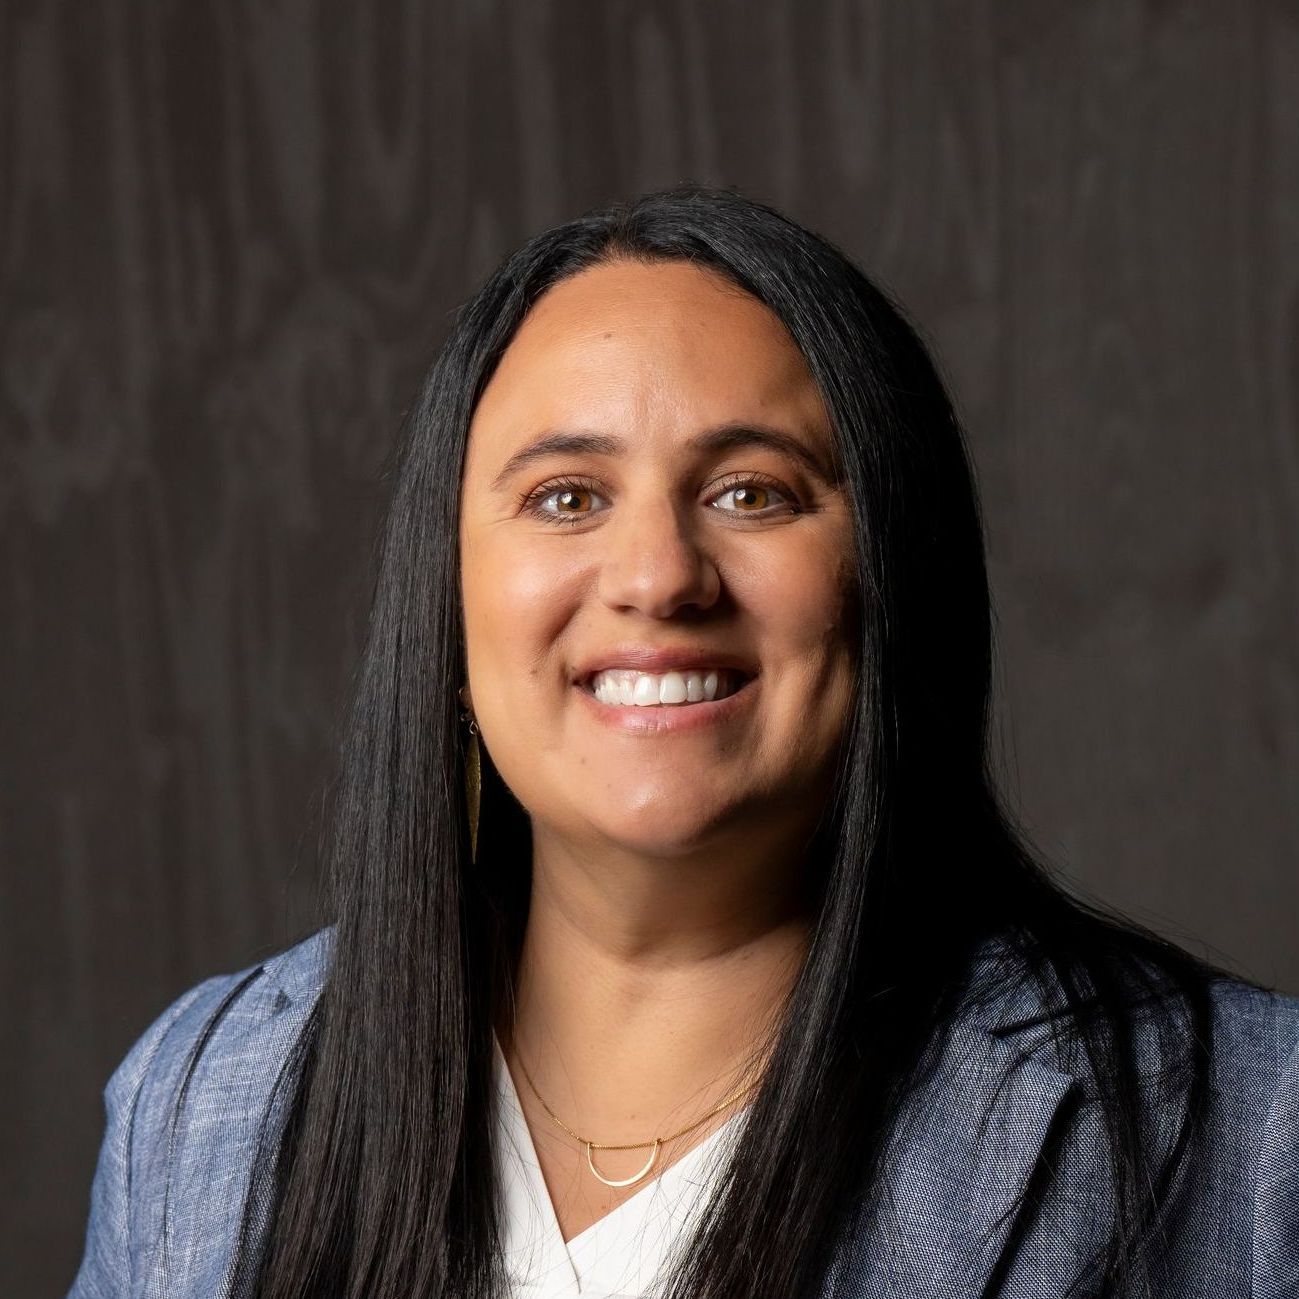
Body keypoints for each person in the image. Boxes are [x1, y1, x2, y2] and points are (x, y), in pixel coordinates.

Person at [69, 183, 1298, 1299]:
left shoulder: (1248, 1133)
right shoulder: (199, 1113)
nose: (658, 578)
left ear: (888, 579)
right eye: (567, 498)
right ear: (445, 605)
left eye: (752, 492)